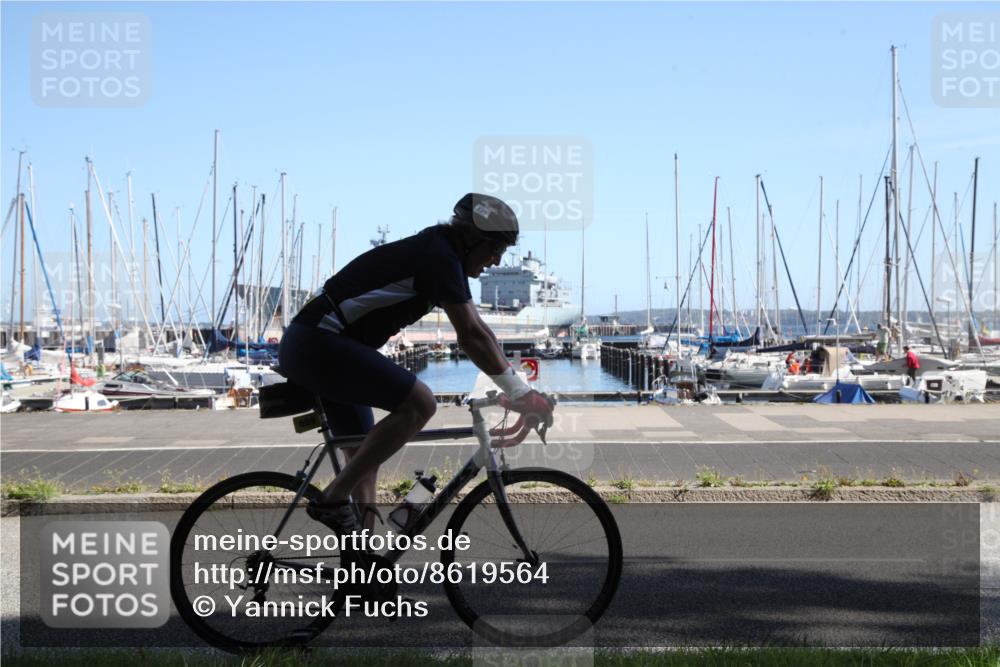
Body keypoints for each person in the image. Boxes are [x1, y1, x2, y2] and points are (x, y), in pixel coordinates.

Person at [278, 193, 554, 535]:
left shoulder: (444, 253)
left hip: (322, 345)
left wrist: (519, 389)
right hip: (319, 342)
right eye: (495, 249)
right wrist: (520, 393)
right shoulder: (438, 256)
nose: (496, 261)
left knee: (365, 462)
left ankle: (363, 573)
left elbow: (481, 330)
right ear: (474, 239)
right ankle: (332, 500)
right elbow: (470, 336)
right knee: (420, 403)